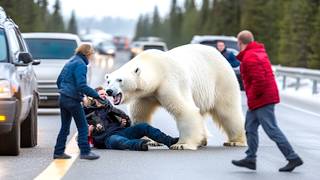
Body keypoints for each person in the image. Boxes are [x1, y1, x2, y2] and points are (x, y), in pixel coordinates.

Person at [231, 30, 303, 172]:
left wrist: (252, 96)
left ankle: (292, 157)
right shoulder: (256, 52)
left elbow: (259, 81)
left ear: (240, 42)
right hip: (260, 98)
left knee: (271, 129)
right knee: (250, 127)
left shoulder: (251, 57)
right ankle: (250, 158)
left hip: (262, 99)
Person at [53, 44, 108, 160]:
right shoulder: (81, 65)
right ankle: (85, 152)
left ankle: (58, 152)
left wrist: (64, 91)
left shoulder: (70, 61)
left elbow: (59, 81)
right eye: (92, 54)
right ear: (87, 53)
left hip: (63, 98)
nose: (92, 56)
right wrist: (96, 96)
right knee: (83, 127)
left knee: (65, 127)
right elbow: (81, 85)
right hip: (72, 100)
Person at [84, 87, 179, 151]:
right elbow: (83, 135)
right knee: (117, 141)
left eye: (105, 94)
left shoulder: (111, 109)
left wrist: (124, 123)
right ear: (94, 96)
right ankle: (139, 145)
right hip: (107, 138)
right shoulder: (88, 112)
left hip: (122, 131)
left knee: (143, 126)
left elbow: (127, 121)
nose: (104, 96)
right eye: (101, 94)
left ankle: (169, 141)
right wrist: (90, 131)